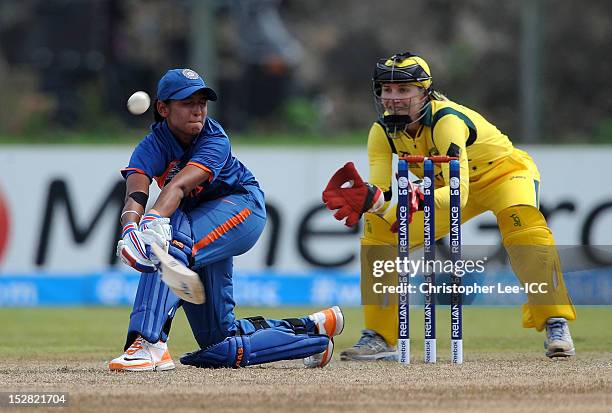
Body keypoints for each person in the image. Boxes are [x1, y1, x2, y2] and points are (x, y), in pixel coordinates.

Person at [322, 52, 575, 361]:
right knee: (378, 232)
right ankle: (379, 337)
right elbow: (385, 196)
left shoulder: (446, 122)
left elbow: (460, 194)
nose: (393, 98)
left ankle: (555, 322)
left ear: (425, 92)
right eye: (386, 89)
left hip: (505, 174)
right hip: (443, 187)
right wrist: (372, 203)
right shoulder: (381, 132)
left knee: (522, 225)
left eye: (404, 90)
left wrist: (406, 201)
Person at [110, 68, 343, 371]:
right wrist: (130, 227)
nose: (198, 110)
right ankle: (310, 335)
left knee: (166, 247)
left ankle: (148, 344)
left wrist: (152, 223)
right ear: (163, 108)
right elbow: (136, 191)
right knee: (218, 339)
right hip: (197, 222)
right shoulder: (152, 145)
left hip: (241, 208)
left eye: (202, 102)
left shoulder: (214, 138)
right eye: (187, 102)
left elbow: (178, 186)